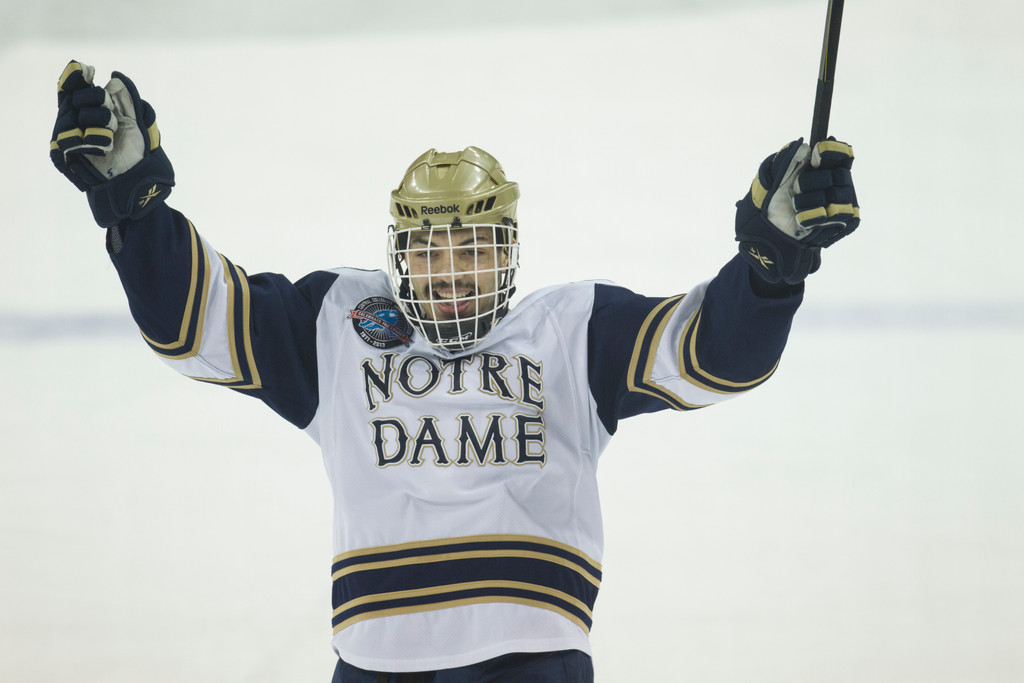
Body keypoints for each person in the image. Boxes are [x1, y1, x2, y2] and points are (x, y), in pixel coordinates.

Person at [49, 61, 860, 682]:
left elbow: (711, 354)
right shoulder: (338, 319)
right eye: (431, 247)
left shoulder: (571, 329)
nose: (450, 269)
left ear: (507, 252)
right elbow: (196, 322)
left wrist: (769, 267)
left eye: (471, 246)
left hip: (531, 653)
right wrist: (133, 207)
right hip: (374, 659)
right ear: (399, 252)